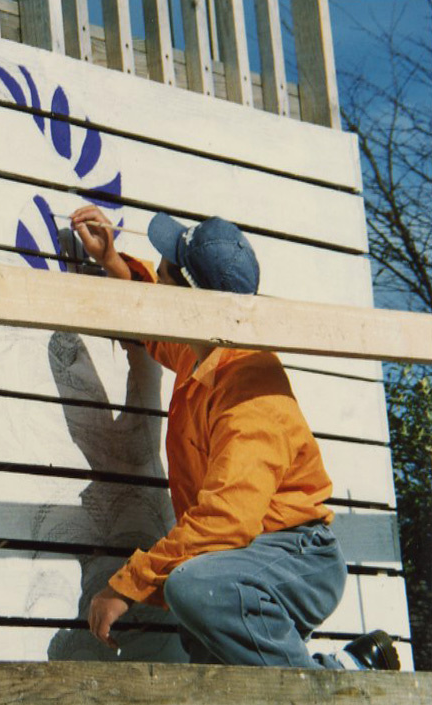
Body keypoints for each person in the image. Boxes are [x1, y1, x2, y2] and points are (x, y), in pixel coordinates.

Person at [71, 205, 399, 671]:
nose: (158, 282)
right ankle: (352, 668)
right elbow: (155, 333)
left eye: (164, 274)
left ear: (196, 302)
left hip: (299, 559)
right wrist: (115, 266)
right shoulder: (205, 351)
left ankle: (331, 685)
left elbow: (226, 520)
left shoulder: (251, 397)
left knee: (194, 587)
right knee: (208, 649)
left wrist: (124, 586)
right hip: (254, 554)